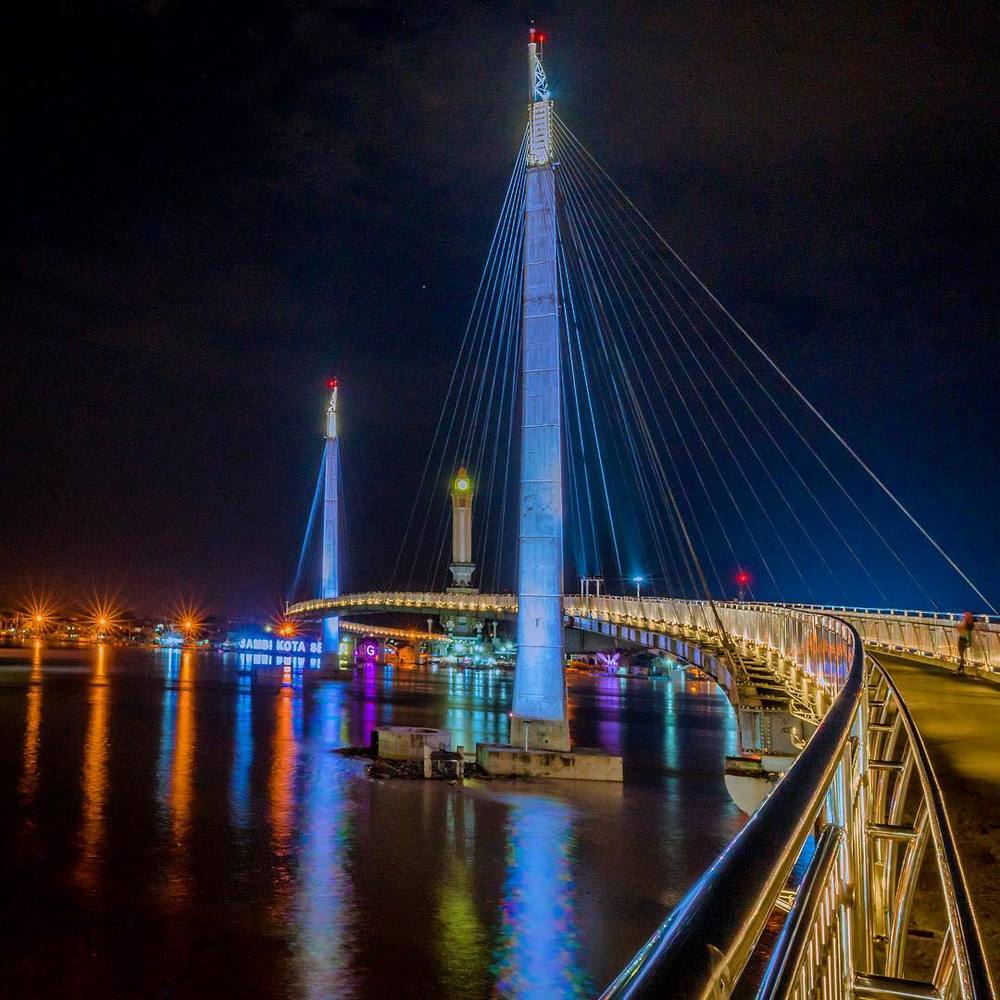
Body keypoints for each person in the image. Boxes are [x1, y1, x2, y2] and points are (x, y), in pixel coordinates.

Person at [955, 611, 976, 676]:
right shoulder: (970, 625)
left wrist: (957, 626)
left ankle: (960, 669)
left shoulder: (966, 625)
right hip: (965, 640)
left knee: (961, 654)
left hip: (962, 640)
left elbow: (959, 628)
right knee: (962, 654)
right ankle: (961, 669)